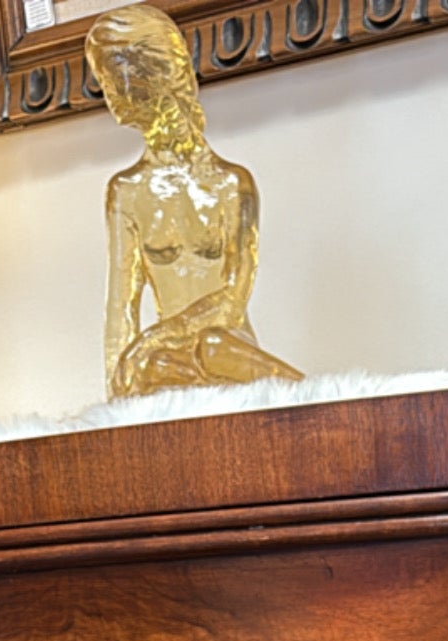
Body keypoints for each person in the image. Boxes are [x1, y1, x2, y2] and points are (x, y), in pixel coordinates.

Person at [86, 4, 303, 398]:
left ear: (157, 70)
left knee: (213, 343)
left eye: (116, 79)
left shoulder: (232, 184)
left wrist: (151, 339)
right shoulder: (126, 191)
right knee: (151, 368)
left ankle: (309, 394)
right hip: (168, 364)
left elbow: (233, 300)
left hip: (228, 356)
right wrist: (117, 397)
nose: (112, 102)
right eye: (105, 84)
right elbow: (121, 309)